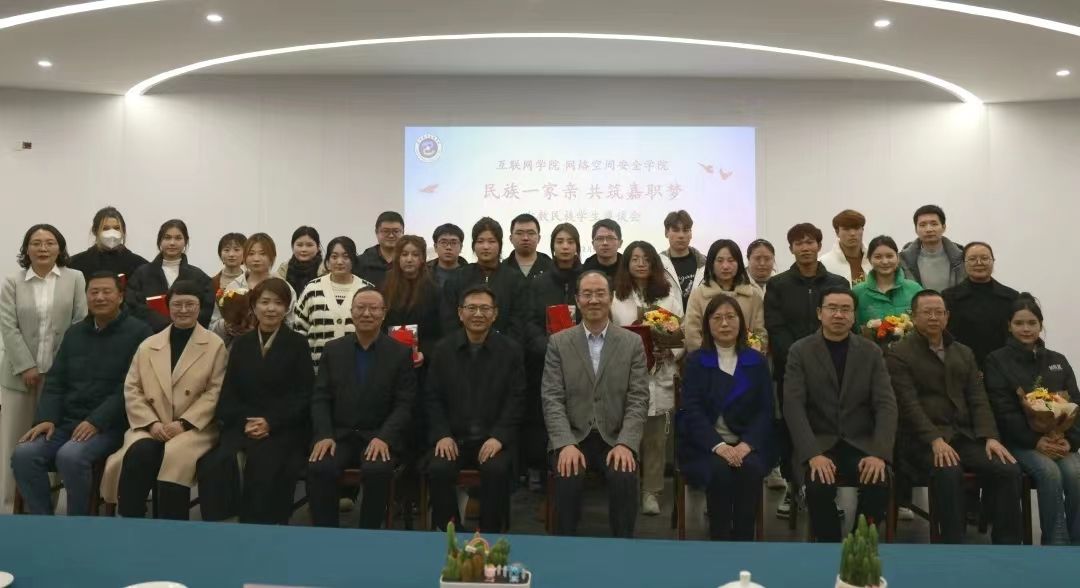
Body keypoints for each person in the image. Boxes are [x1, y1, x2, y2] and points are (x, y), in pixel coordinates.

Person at [887, 290, 1022, 544]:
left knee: (1008, 468)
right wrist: (934, 439)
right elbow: (908, 405)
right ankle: (952, 544)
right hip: (921, 442)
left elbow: (978, 398)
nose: (934, 317)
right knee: (948, 471)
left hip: (964, 436)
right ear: (914, 317)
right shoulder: (899, 353)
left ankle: (1008, 545)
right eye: (927, 312)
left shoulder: (963, 352)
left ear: (947, 316)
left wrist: (990, 437)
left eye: (939, 312)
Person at [11, 272, 151, 515]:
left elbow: (131, 388)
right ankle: (43, 522)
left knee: (70, 456)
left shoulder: (140, 333)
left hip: (110, 426)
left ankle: (78, 523)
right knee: (24, 455)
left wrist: (96, 421)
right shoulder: (75, 333)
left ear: (120, 296)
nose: (99, 297)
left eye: (106, 292)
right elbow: (56, 381)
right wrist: (47, 418)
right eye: (93, 292)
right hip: (67, 423)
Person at [101, 280, 227, 520]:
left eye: (190, 304)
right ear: (168, 307)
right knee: (138, 453)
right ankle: (130, 521)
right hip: (152, 425)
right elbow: (133, 388)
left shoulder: (215, 345)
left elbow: (215, 391)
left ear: (200, 307)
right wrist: (152, 424)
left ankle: (173, 528)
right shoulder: (149, 345)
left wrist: (183, 423)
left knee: (176, 457)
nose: (183, 310)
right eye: (177, 304)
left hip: (194, 429)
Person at [783, 287, 898, 541]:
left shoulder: (871, 352)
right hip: (819, 443)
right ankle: (830, 548)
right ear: (819, 313)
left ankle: (858, 544)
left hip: (861, 444)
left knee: (878, 483)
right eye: (832, 308)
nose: (838, 315)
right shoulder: (800, 351)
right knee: (819, 486)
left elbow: (886, 405)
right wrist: (812, 454)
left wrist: (879, 453)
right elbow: (793, 406)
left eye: (845, 309)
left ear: (854, 315)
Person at [197, 278, 314, 525]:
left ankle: (262, 529)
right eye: (265, 302)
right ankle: (221, 526)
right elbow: (229, 393)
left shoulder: (298, 344)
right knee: (213, 464)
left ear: (287, 308)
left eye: (278, 303)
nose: (271, 309)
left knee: (265, 464)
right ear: (253, 306)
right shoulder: (241, 344)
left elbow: (304, 396)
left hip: (282, 427)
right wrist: (245, 423)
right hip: (244, 424)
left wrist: (270, 422)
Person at [542, 270, 649, 537]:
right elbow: (552, 398)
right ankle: (564, 547)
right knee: (568, 474)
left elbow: (638, 399)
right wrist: (565, 443)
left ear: (610, 298)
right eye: (587, 294)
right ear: (577, 300)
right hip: (574, 435)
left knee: (623, 474)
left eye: (600, 293)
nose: (593, 300)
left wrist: (626, 443)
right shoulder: (559, 343)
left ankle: (622, 547)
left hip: (614, 436)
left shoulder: (632, 342)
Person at [306, 287, 416, 528]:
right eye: (361, 308)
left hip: (379, 436)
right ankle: (325, 534)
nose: (367, 313)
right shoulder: (333, 349)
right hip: (339, 435)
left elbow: (404, 403)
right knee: (320, 466)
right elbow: (320, 397)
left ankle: (369, 533)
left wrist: (385, 437)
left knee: (377, 470)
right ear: (351, 311)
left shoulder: (399, 353)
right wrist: (324, 435)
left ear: (383, 313)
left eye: (373, 308)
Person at [1, 224, 87, 512]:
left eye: (50, 242)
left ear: (59, 248)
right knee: (14, 443)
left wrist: (61, 370)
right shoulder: (12, 282)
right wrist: (26, 365)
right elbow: (8, 326)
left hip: (59, 379)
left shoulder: (75, 278)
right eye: (36, 243)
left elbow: (80, 322)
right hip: (18, 377)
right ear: (26, 249)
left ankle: (45, 507)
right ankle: (11, 506)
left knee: (50, 441)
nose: (43, 248)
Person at [763, 223, 847, 518]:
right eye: (799, 243)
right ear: (791, 249)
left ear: (819, 245)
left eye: (810, 242)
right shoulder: (778, 285)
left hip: (833, 371)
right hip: (790, 370)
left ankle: (829, 489)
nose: (805, 247)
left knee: (829, 428)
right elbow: (775, 328)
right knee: (790, 428)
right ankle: (792, 486)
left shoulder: (837, 283)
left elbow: (842, 323)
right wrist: (801, 359)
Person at [675, 294, 774, 540]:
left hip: (747, 444)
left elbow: (765, 410)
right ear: (707, 324)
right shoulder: (696, 361)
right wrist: (718, 446)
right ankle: (719, 539)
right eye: (717, 318)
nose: (725, 323)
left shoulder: (756, 361)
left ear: (741, 322)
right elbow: (692, 411)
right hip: (705, 445)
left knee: (750, 470)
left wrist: (746, 445)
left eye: (731, 317)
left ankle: (743, 540)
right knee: (719, 471)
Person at [426, 286, 525, 531]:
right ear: (460, 313)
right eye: (471, 308)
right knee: (438, 468)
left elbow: (517, 399)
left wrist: (499, 437)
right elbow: (432, 398)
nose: (478, 314)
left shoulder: (511, 351)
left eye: (485, 308)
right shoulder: (443, 350)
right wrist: (442, 434)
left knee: (496, 469)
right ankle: (451, 532)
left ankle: (489, 534)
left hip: (493, 439)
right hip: (454, 438)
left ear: (495, 313)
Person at [984, 294, 1080, 545]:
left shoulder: (1058, 360)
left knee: (1075, 472)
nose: (1026, 329)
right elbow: (1003, 411)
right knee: (1050, 473)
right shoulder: (997, 360)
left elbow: (1075, 403)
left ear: (1040, 325)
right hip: (1020, 443)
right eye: (1019, 323)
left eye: (1032, 323)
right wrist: (1035, 441)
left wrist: (1071, 441)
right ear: (1009, 326)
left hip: (1059, 440)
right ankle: (1056, 542)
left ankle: (1077, 543)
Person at [609, 241, 684, 516]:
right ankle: (627, 489)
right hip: (626, 376)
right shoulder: (615, 297)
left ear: (654, 263)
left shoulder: (668, 296)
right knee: (627, 436)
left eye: (646, 259)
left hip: (660, 374)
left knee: (655, 440)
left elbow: (681, 333)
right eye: (635, 259)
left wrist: (670, 351)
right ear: (626, 263)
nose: (641, 264)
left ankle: (651, 492)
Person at [521, 223, 583, 485]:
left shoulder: (587, 279)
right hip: (546, 360)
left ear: (577, 246)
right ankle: (541, 469)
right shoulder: (540, 282)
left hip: (582, 362)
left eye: (570, 241)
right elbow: (530, 322)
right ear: (553, 246)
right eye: (560, 241)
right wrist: (546, 346)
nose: (565, 246)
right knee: (543, 414)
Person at [440, 218, 528, 343]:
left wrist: (503, 345)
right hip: (463, 349)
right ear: (473, 245)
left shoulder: (515, 278)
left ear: (500, 245)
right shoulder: (458, 277)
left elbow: (518, 321)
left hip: (504, 349)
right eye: (480, 241)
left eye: (491, 241)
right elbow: (449, 319)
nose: (486, 247)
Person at [293, 237, 373, 369]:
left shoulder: (367, 290)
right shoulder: (312, 289)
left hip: (358, 369)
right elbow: (299, 330)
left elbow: (375, 330)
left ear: (353, 260)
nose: (339, 262)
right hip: (317, 369)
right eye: (334, 257)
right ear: (327, 261)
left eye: (346, 257)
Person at [125, 219, 214, 332]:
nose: (172, 243)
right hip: (149, 335)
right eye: (167, 238)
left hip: (188, 335)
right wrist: (161, 323)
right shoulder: (142, 274)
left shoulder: (199, 276)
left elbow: (206, 310)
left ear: (185, 241)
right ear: (160, 241)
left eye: (178, 238)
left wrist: (183, 323)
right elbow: (132, 305)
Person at [942, 242, 1019, 371]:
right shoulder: (949, 297)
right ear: (964, 263)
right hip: (963, 366)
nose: (979, 263)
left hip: (1003, 367)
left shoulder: (1011, 297)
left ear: (993, 261)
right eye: (972, 259)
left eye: (984, 258)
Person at [683, 239, 767, 353]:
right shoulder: (698, 295)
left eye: (731, 260)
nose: (726, 266)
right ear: (711, 264)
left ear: (739, 263)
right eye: (720, 260)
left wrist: (751, 356)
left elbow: (760, 332)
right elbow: (692, 333)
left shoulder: (753, 295)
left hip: (746, 360)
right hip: (707, 360)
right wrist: (705, 358)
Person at [212, 233, 297, 340]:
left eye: (263, 253)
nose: (256, 258)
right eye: (251, 254)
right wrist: (226, 325)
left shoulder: (284, 287)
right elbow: (213, 327)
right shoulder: (233, 287)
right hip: (238, 346)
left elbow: (293, 323)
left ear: (273, 257)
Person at [383, 235, 442, 367]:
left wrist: (425, 353)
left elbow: (437, 330)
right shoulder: (385, 285)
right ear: (398, 257)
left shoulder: (434, 288)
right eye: (404, 254)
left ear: (422, 259)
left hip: (421, 360)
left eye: (415, 255)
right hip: (388, 355)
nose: (409, 259)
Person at [851, 236, 923, 328]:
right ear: (869, 259)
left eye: (889, 256)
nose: (885, 262)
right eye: (878, 257)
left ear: (897, 258)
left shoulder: (914, 289)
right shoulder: (858, 292)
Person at [67, 206, 149, 281]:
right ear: (95, 231)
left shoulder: (140, 266)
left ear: (123, 231)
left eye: (117, 228)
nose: (112, 233)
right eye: (105, 228)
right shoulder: (75, 264)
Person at [899, 205, 966, 292]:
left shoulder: (962, 257)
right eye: (922, 225)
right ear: (916, 229)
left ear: (943, 227)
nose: (929, 229)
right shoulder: (903, 260)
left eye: (934, 224)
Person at [659, 210, 706, 309]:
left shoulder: (706, 264)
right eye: (676, 230)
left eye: (686, 230)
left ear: (691, 234)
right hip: (667, 318)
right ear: (666, 233)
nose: (681, 235)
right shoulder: (657, 265)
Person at [819, 210, 871, 286]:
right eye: (846, 229)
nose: (852, 233)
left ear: (862, 230)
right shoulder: (823, 263)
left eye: (856, 228)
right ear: (837, 232)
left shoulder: (875, 260)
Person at [275, 226, 327, 297]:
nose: (304, 249)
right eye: (299, 245)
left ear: (318, 248)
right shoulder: (284, 268)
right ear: (292, 247)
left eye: (309, 245)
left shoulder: (326, 269)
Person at [356, 211, 404, 288]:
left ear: (403, 232)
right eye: (386, 231)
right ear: (376, 232)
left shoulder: (409, 261)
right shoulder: (360, 262)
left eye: (396, 231)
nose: (391, 235)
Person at [504, 213, 553, 280]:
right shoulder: (502, 268)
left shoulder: (551, 267)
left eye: (531, 233)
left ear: (539, 238)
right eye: (519, 233)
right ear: (511, 238)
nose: (525, 238)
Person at [428, 223, 466, 289]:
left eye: (454, 243)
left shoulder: (470, 274)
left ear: (461, 247)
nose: (448, 247)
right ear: (435, 247)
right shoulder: (423, 273)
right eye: (443, 242)